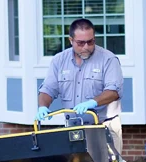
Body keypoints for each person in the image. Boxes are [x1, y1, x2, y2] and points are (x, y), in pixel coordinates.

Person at [36, 18, 124, 153]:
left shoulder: (108, 59)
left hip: (104, 126)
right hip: (73, 128)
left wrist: (93, 102)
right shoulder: (59, 60)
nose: (86, 47)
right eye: (81, 43)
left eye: (90, 42)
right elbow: (48, 89)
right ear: (70, 40)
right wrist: (43, 106)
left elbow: (113, 91)